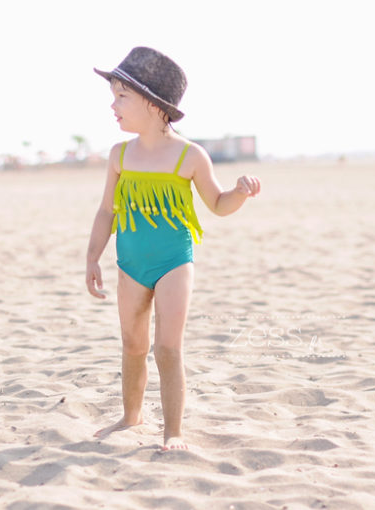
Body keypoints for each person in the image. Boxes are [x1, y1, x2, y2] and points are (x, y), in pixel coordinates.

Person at [85, 47, 261, 451]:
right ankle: (130, 417)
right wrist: (92, 257)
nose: (113, 106)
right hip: (130, 263)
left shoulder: (189, 155)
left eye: (121, 96)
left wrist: (239, 192)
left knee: (167, 347)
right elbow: (107, 210)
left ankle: (173, 432)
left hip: (173, 263)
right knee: (133, 345)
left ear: (153, 104)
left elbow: (217, 204)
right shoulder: (120, 155)